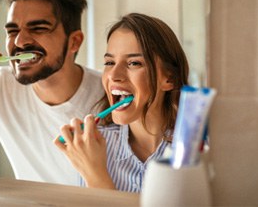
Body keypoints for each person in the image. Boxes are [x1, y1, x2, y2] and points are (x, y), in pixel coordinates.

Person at [0, 0, 104, 185]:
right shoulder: (0, 88)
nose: (20, 42)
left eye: (38, 28)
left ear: (74, 42)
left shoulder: (110, 97)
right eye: (12, 31)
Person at [54, 13, 189, 192]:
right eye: (109, 62)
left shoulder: (196, 149)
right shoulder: (93, 147)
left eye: (134, 63)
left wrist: (97, 177)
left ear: (169, 78)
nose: (114, 76)